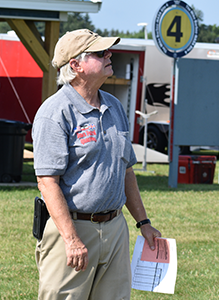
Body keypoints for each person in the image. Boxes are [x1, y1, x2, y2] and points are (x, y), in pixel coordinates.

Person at [32, 29, 161, 299]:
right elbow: (47, 182)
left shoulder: (114, 106)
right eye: (101, 53)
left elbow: (126, 171)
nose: (109, 55)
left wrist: (143, 222)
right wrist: (71, 239)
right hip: (74, 229)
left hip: (115, 228)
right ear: (76, 65)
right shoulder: (54, 112)